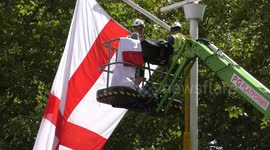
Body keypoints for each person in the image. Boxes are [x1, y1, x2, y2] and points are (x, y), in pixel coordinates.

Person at [129, 18, 146, 85]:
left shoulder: (137, 36)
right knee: (137, 74)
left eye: (142, 27)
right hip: (134, 59)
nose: (142, 29)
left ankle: (135, 86)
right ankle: (134, 86)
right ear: (136, 27)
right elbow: (136, 46)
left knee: (140, 74)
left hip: (137, 59)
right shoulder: (135, 35)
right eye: (141, 27)